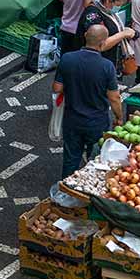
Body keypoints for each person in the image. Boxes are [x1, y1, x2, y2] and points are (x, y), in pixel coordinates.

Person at [53, 23, 122, 180]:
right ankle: (88, 194)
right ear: (103, 43)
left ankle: (66, 192)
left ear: (85, 36)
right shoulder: (107, 66)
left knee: (71, 159)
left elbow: (57, 88)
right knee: (97, 160)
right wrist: (119, 117)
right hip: (97, 122)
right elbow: (114, 97)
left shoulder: (67, 58)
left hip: (72, 120)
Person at [82, 0, 137, 74]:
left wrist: (124, 31)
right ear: (109, 0)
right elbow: (100, 45)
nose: (119, 8)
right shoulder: (93, 15)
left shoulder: (107, 11)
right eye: (118, 5)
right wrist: (123, 34)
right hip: (97, 66)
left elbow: (112, 29)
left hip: (111, 61)